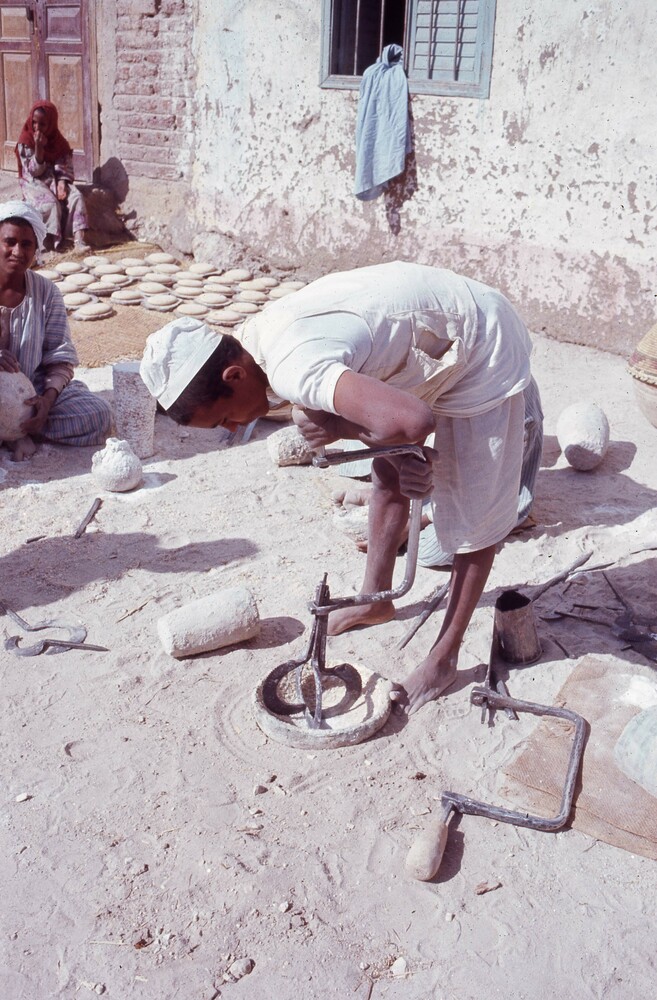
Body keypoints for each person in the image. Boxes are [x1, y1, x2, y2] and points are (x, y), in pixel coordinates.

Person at [139, 263, 544, 715]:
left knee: (475, 514)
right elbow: (394, 428)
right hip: (421, 342)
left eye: (225, 418)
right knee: (387, 468)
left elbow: (413, 422)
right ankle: (376, 601)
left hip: (481, 341)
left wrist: (336, 425)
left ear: (234, 376)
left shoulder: (292, 364)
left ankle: (443, 659)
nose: (236, 426)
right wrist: (392, 448)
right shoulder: (253, 342)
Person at [0, 201, 111, 461]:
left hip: (32, 392)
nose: (17, 251)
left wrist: (46, 403)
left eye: (26, 244)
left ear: (36, 249)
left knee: (97, 415)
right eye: (9, 242)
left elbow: (60, 359)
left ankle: (20, 429)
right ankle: (14, 432)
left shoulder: (46, 293)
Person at [15, 100, 90, 252]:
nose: (37, 127)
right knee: (50, 204)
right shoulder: (26, 141)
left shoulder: (58, 141)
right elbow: (33, 171)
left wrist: (62, 181)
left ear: (51, 124)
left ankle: (78, 241)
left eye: (42, 124)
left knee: (76, 196)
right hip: (33, 180)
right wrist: (39, 148)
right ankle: (48, 246)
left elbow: (64, 164)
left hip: (53, 179)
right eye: (34, 122)